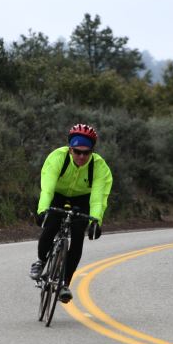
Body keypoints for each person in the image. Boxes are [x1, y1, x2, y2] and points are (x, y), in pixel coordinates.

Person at [29, 123, 113, 303]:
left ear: (92, 151)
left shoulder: (99, 167)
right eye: (77, 151)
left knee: (77, 236)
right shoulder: (57, 158)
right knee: (50, 225)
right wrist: (42, 210)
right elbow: (47, 189)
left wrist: (95, 222)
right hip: (57, 195)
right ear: (70, 149)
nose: (81, 156)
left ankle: (65, 283)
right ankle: (41, 261)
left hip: (82, 200)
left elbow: (98, 198)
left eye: (86, 152)